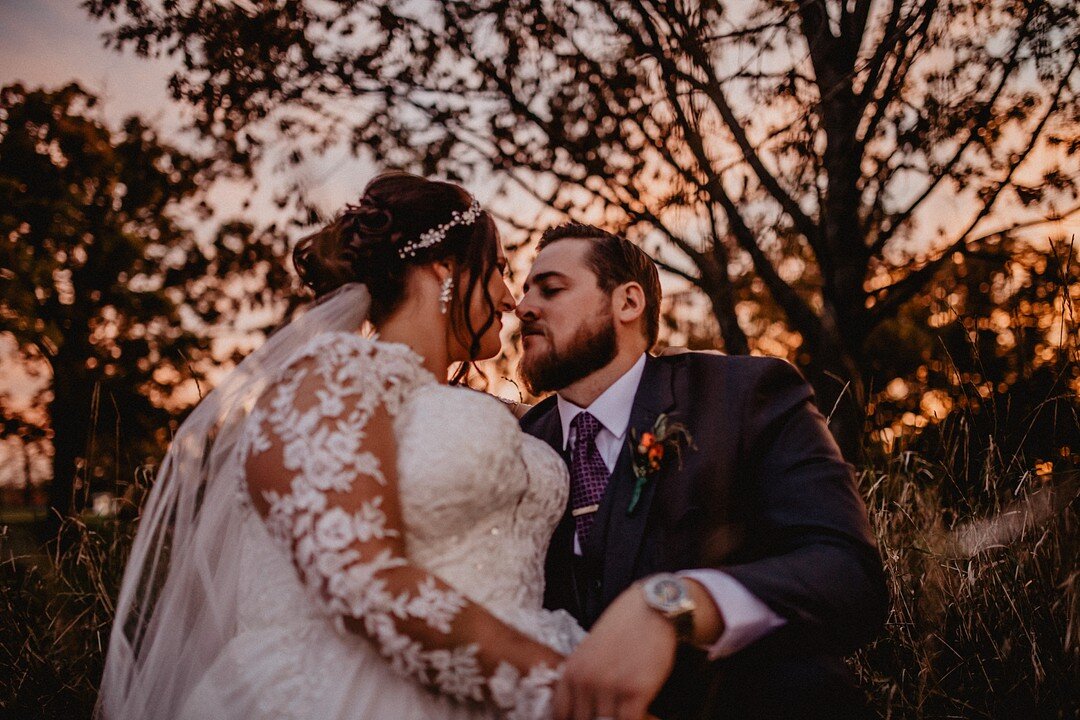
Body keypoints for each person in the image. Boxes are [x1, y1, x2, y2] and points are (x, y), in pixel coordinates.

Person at [98, 173, 585, 720]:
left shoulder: (478, 409)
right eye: (497, 268)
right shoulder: (330, 378)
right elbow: (363, 581)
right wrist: (566, 691)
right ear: (444, 268)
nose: (509, 296)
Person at [516, 224, 888, 720]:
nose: (523, 308)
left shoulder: (745, 395)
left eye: (551, 289)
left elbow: (848, 575)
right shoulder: (514, 448)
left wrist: (679, 604)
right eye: (524, 291)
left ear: (628, 303)